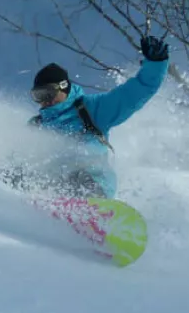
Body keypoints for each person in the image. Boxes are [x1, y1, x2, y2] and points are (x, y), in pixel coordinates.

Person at [25, 34, 169, 199]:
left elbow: (131, 95)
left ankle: (92, 206)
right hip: (52, 187)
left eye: (48, 92)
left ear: (63, 87)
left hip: (93, 183)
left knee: (77, 176)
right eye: (38, 95)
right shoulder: (37, 125)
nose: (45, 100)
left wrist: (155, 65)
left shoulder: (90, 110)